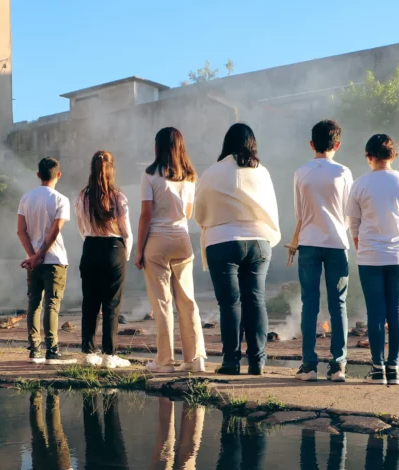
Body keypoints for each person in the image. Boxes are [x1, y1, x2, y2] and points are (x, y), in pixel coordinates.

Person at [196, 123, 280, 375]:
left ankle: (231, 362)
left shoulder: (212, 172)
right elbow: (272, 207)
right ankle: (257, 361)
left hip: (222, 241)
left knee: (230, 304)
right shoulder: (261, 172)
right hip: (259, 240)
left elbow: (198, 212)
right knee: (256, 300)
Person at [346, 134, 399, 386]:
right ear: (393, 155)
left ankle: (377, 370)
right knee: (396, 310)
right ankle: (395, 368)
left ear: (369, 156)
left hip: (369, 256)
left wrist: (361, 246)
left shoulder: (360, 184)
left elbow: (353, 224)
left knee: (375, 312)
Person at [285, 120, 353, 382]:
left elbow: (299, 213)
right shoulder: (344, 172)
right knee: (339, 304)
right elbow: (350, 212)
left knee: (309, 304)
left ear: (312, 144)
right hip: (337, 243)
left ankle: (309, 365)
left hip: (309, 242)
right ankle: (338, 366)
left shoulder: (301, 172)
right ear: (337, 144)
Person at [136, 127, 206, 373]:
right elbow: (187, 214)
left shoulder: (150, 175)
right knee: (187, 300)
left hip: (157, 240)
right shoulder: (189, 176)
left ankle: (165, 361)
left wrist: (138, 250)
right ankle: (195, 359)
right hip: (182, 239)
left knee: (162, 303)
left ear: (158, 147)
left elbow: (146, 215)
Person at [76, 150, 133, 369]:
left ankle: (88, 352)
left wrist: (92, 240)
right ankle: (110, 354)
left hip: (90, 247)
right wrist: (124, 253)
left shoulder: (82, 197)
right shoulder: (118, 197)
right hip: (113, 248)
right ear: (112, 169)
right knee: (112, 303)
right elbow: (126, 230)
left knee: (90, 302)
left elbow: (82, 227)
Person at [17, 158, 74, 365]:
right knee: (52, 303)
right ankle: (52, 350)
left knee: (34, 303)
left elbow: (20, 231)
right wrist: (41, 254)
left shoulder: (26, 198)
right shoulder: (61, 199)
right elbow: (55, 230)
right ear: (58, 175)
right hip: (55, 259)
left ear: (38, 175)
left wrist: (32, 256)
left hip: (33, 262)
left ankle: (34, 350)